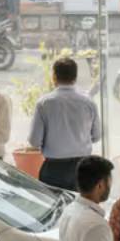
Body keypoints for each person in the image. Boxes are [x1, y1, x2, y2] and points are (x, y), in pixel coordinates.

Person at [28, 56, 101, 189]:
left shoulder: (44, 103)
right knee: (81, 207)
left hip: (53, 169)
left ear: (54, 77)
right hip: (82, 168)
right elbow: (96, 136)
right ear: (75, 77)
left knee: (55, 208)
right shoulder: (88, 102)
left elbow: (34, 141)